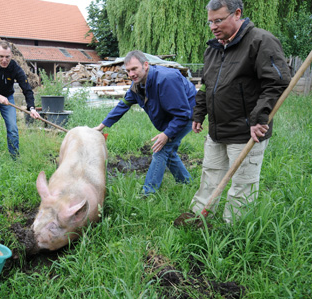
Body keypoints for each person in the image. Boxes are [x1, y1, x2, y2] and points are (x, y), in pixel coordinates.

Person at [189, 0, 291, 223]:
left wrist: (259, 118)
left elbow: (277, 83)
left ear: (237, 13)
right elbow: (206, 85)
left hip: (247, 132)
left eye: (218, 20)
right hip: (217, 131)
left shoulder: (261, 41)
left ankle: (234, 230)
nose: (213, 27)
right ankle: (198, 218)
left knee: (242, 184)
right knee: (210, 175)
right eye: (210, 22)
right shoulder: (213, 49)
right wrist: (199, 113)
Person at [94, 50, 197, 195]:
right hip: (174, 115)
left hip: (187, 114)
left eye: (134, 69)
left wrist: (166, 134)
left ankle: (147, 194)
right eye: (128, 70)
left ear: (146, 65)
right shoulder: (137, 85)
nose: (131, 74)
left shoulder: (166, 79)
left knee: (161, 149)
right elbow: (123, 104)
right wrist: (101, 126)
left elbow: (183, 113)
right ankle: (186, 183)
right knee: (169, 151)